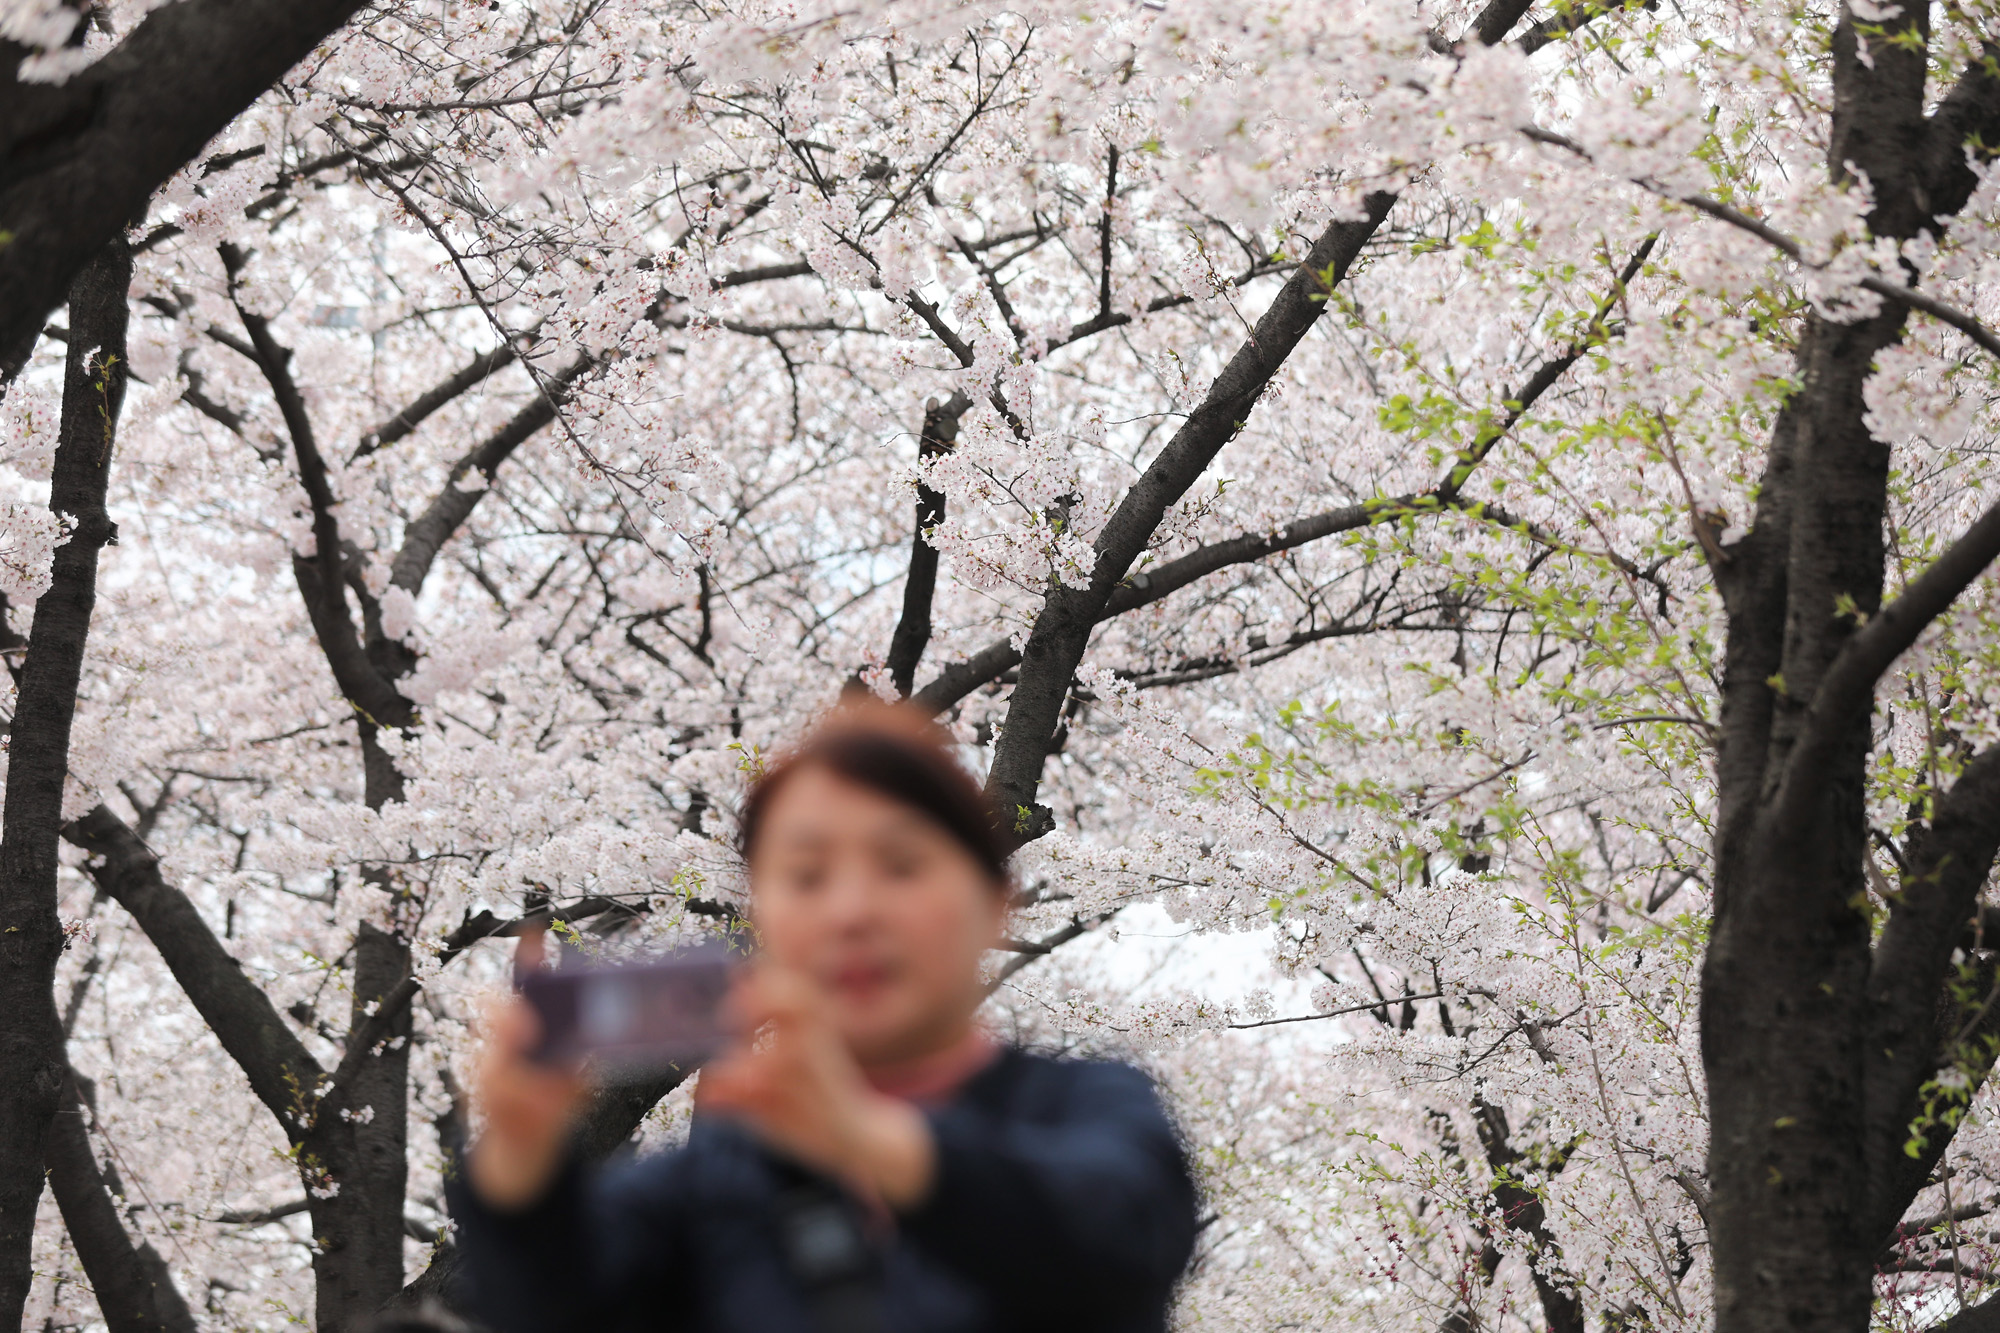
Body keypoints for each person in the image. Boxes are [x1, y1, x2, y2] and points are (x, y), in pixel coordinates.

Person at [449, 703, 1198, 1332]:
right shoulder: (722, 1175)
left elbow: (1117, 1241)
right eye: (805, 876)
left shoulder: (1087, 1106)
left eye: (901, 864)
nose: (851, 911)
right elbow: (555, 1299)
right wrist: (520, 1158)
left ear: (996, 901)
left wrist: (864, 1134)